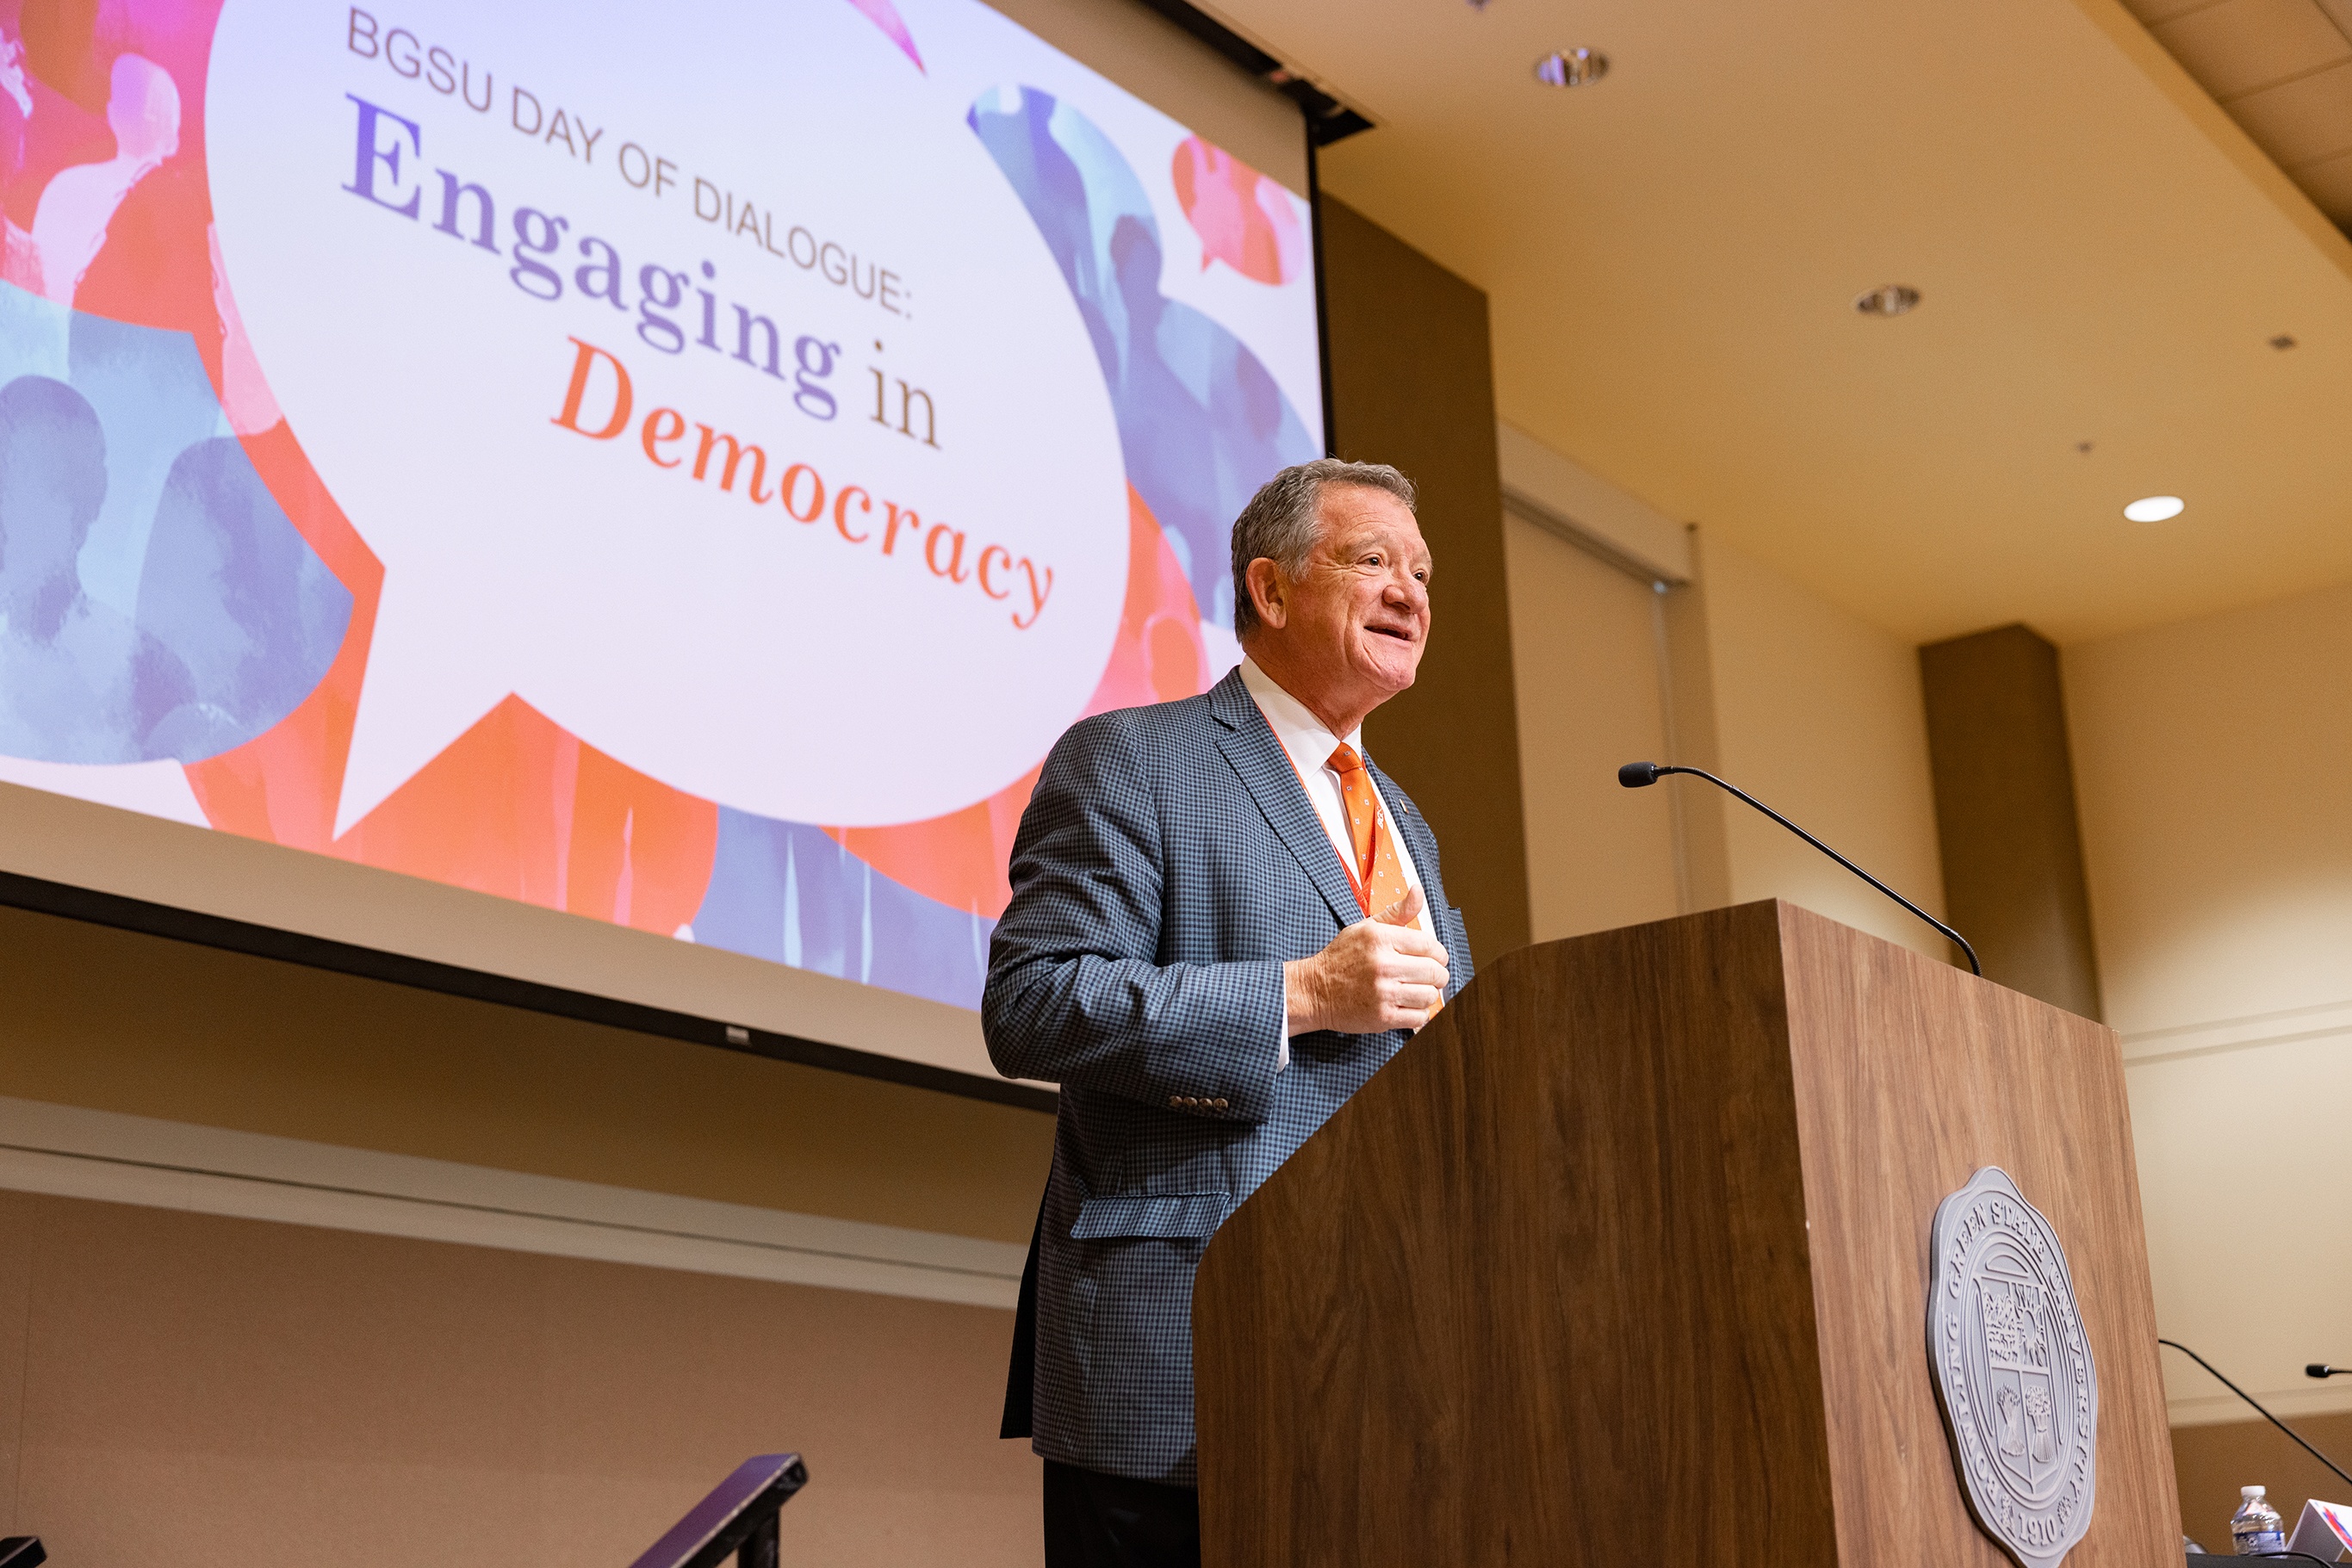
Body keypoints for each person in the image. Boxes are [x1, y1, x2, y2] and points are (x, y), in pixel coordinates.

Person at [985, 457, 1471, 1567]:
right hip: (1187, 1344)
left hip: (1388, 1355)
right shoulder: (1132, 760)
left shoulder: (1405, 824)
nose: (1412, 594)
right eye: (1372, 562)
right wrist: (1301, 993)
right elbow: (1032, 1003)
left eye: (1424, 573)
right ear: (1270, 589)